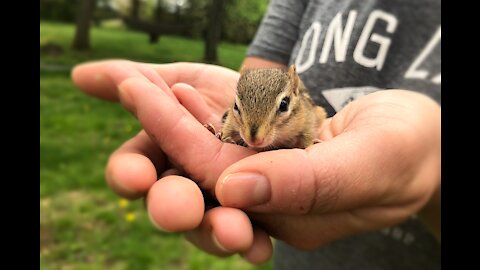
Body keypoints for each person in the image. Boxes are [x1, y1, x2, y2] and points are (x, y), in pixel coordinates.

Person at [72, 0, 440, 268]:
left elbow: (311, 123)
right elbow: (252, 86)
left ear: (292, 95)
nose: (255, 139)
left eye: (281, 109)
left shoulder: (302, 113)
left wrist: (430, 176)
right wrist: (224, 132)